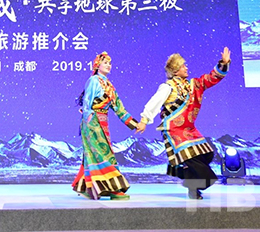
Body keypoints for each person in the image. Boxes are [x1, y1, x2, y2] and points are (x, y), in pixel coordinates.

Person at [138, 47, 230, 200]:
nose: (186, 68)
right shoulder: (168, 87)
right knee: (194, 162)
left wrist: (223, 64)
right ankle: (194, 186)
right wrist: (144, 120)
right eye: (183, 66)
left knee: (207, 154)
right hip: (174, 129)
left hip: (189, 129)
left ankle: (190, 181)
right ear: (175, 71)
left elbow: (209, 79)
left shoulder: (193, 85)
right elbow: (154, 102)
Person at [72, 52, 144, 200]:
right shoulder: (93, 81)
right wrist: (90, 121)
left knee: (94, 154)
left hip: (103, 123)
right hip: (92, 122)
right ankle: (113, 189)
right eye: (105, 63)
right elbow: (87, 103)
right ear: (97, 65)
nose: (109, 65)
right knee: (103, 155)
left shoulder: (110, 86)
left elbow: (119, 108)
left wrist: (135, 124)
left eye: (110, 63)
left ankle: (87, 188)